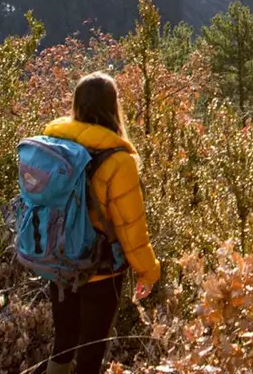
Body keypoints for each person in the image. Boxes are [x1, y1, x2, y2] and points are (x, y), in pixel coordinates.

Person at [41, 72, 162, 374]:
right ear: (113, 107)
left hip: (58, 261)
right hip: (100, 269)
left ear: (77, 104)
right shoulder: (118, 160)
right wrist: (148, 272)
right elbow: (131, 226)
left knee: (64, 341)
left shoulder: (53, 144)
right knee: (90, 350)